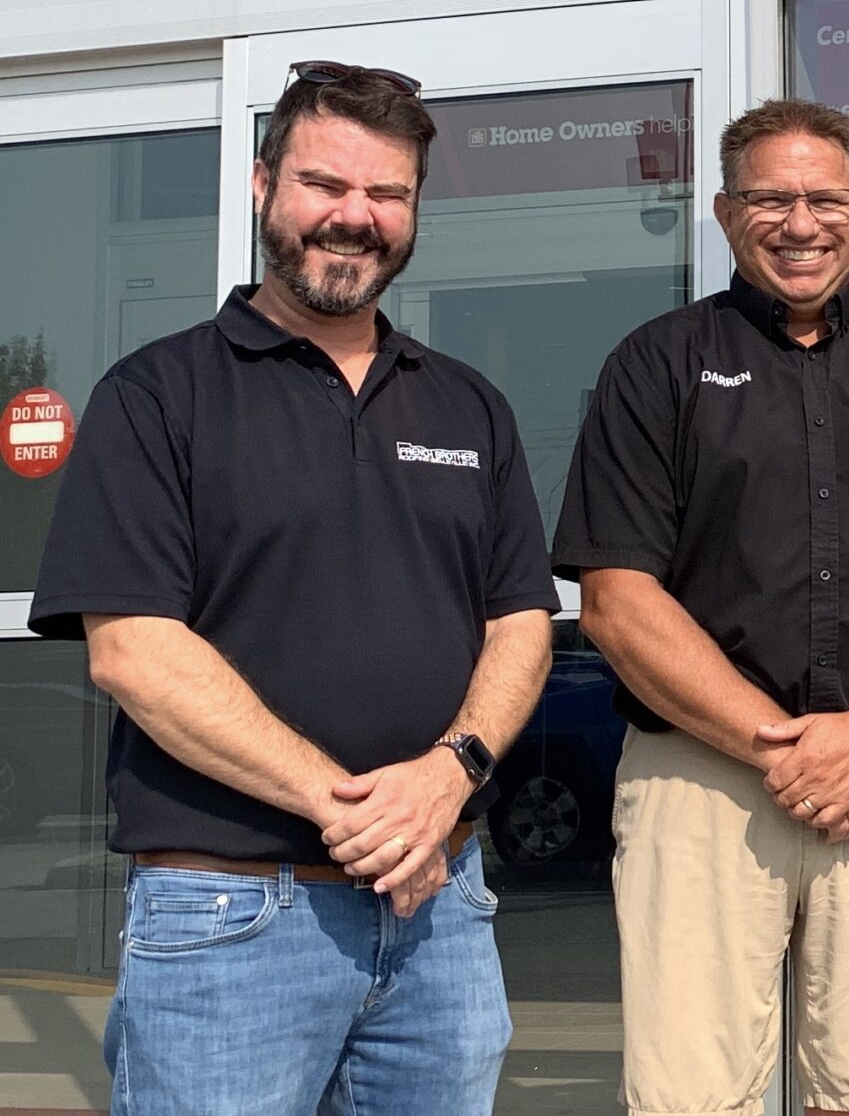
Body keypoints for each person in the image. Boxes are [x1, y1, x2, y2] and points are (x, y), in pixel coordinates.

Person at [30, 61, 557, 1116]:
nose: (355, 219)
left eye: (388, 194)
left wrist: (449, 779)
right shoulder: (158, 396)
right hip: (229, 918)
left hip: (439, 916)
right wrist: (349, 807)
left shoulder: (467, 405)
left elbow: (520, 622)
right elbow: (131, 646)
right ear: (265, 185)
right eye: (326, 185)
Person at [554, 98, 849, 1115]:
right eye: (769, 198)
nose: (798, 222)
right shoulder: (653, 366)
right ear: (724, 213)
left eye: (822, 199)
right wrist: (785, 752)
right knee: (693, 1092)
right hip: (704, 772)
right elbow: (616, 601)